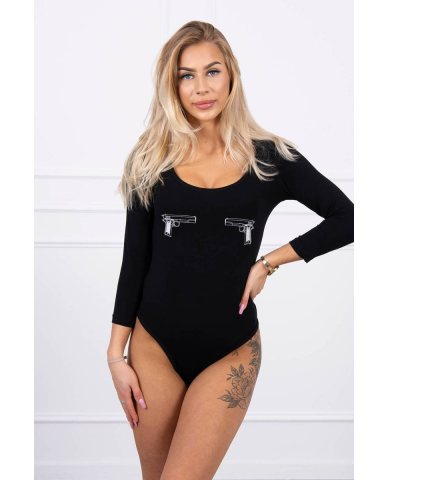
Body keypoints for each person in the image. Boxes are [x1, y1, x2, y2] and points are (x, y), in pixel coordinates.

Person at [106, 20, 354, 480]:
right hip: (153, 347)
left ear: (231, 76)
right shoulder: (151, 158)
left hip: (231, 349)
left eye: (212, 71)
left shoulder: (270, 158)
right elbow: (134, 261)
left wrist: (270, 263)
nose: (201, 87)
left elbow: (349, 217)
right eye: (187, 75)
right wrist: (115, 357)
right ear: (172, 85)